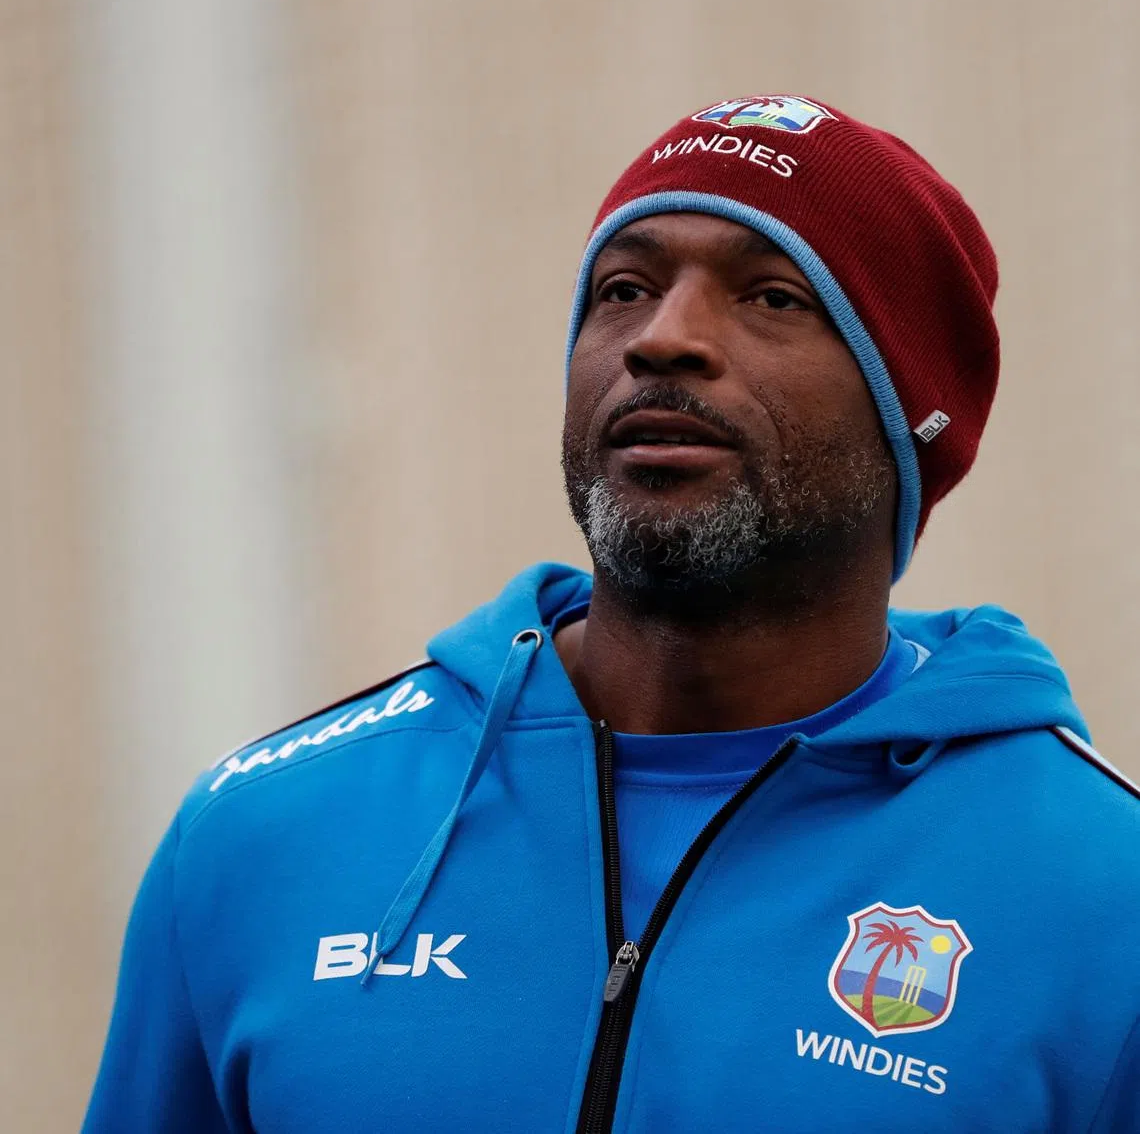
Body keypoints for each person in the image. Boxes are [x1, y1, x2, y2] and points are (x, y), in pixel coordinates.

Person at [83, 94, 1139, 1133]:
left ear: (912, 413)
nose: (663, 338)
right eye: (624, 289)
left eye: (774, 297)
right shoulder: (267, 833)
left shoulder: (1099, 893)